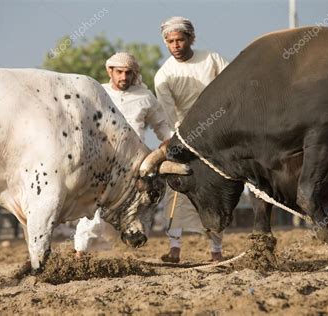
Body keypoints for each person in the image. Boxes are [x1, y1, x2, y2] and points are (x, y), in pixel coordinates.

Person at [74, 52, 172, 256]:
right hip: (102, 162)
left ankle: (125, 249)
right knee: (94, 210)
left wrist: (171, 146)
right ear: (110, 71)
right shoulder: (98, 93)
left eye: (129, 73)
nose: (124, 77)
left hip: (135, 166)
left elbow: (162, 127)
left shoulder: (145, 97)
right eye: (119, 72)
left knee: (138, 206)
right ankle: (80, 253)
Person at [154, 16, 229, 263]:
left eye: (180, 40)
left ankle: (216, 250)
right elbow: (165, 114)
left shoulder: (211, 59)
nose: (175, 45)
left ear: (191, 39)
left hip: (217, 133)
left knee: (214, 190)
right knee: (177, 189)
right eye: (170, 41)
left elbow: (233, 82)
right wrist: (174, 140)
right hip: (186, 137)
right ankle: (174, 248)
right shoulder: (164, 74)